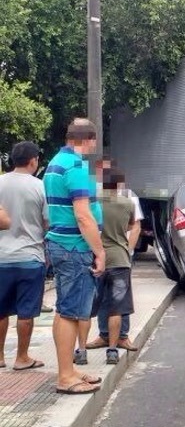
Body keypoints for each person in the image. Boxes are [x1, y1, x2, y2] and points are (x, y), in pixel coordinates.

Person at [44, 118, 104, 394]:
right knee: (70, 313)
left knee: (64, 310)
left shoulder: (55, 163)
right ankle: (66, 377)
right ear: (89, 139)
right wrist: (99, 251)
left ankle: (68, 369)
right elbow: (83, 215)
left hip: (61, 245)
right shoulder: (76, 167)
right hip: (74, 248)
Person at [0, 141, 48, 373]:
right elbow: (47, 221)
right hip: (30, 257)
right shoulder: (39, 186)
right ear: (33, 161)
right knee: (26, 312)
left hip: (1, 258)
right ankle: (21, 357)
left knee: (0, 311)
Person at [86, 157, 141, 352]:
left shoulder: (92, 202)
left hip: (98, 258)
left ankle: (101, 336)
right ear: (118, 182)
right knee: (119, 304)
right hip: (120, 258)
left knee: (100, 300)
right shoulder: (128, 203)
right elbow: (132, 225)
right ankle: (116, 342)